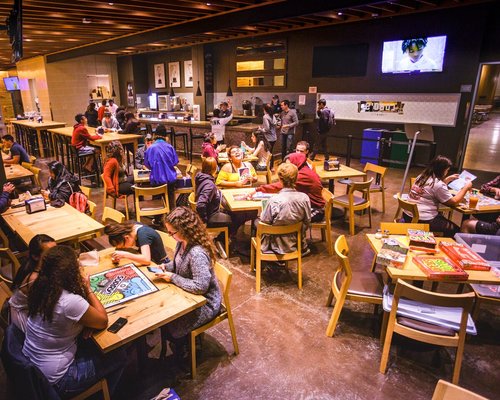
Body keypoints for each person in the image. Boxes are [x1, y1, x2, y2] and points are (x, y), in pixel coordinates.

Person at [23, 246, 126, 398]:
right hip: (58, 380)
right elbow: (103, 321)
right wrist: (87, 288)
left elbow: (65, 319)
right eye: (78, 265)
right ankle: (104, 395)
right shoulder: (69, 301)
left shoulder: (40, 285)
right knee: (119, 355)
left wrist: (84, 322)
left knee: (90, 342)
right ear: (71, 272)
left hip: (33, 367)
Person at [155, 207, 222, 363]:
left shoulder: (197, 253)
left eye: (172, 232)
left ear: (184, 230)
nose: (170, 236)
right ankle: (183, 343)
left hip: (206, 303)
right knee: (164, 313)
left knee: (171, 324)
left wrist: (172, 277)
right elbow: (179, 263)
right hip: (189, 295)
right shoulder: (182, 242)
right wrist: (167, 267)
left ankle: (187, 348)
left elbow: (200, 287)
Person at [406, 155, 472, 237]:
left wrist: (447, 179)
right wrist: (465, 188)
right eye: (447, 170)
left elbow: (433, 189)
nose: (447, 172)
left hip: (408, 216)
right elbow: (454, 202)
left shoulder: (422, 176)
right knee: (457, 232)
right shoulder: (437, 184)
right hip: (424, 220)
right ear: (442, 170)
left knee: (442, 218)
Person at [251, 152, 325, 222]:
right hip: (309, 206)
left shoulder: (303, 175)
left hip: (316, 210)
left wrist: (258, 189)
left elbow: (279, 186)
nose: (287, 168)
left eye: (289, 165)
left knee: (285, 218)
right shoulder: (305, 170)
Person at [259, 162, 311, 255]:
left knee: (256, 223)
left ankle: (260, 258)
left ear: (280, 179)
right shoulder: (305, 198)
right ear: (296, 178)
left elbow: (264, 222)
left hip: (274, 245)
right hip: (296, 243)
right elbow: (307, 221)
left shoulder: (274, 199)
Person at [9, 234, 57, 333]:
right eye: (50, 253)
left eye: (56, 250)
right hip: (24, 317)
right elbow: (52, 307)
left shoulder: (41, 266)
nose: (56, 255)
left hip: (34, 309)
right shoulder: (34, 279)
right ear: (35, 256)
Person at [144, 124, 179, 211]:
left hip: (156, 181)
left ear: (154, 135)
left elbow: (147, 165)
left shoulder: (150, 148)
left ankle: (157, 217)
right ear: (165, 136)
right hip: (170, 181)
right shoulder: (170, 147)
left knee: (157, 198)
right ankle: (171, 214)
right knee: (171, 197)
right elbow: (175, 162)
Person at [195, 157, 233, 238]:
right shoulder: (209, 184)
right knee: (235, 219)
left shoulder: (202, 177)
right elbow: (200, 204)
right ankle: (221, 239)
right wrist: (204, 221)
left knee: (229, 212)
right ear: (215, 169)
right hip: (210, 215)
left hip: (211, 211)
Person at [104, 221, 170, 265]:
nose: (124, 249)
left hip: (160, 264)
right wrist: (117, 257)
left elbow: (146, 260)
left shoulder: (143, 234)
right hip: (151, 261)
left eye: (123, 247)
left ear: (126, 237)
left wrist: (125, 255)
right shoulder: (129, 228)